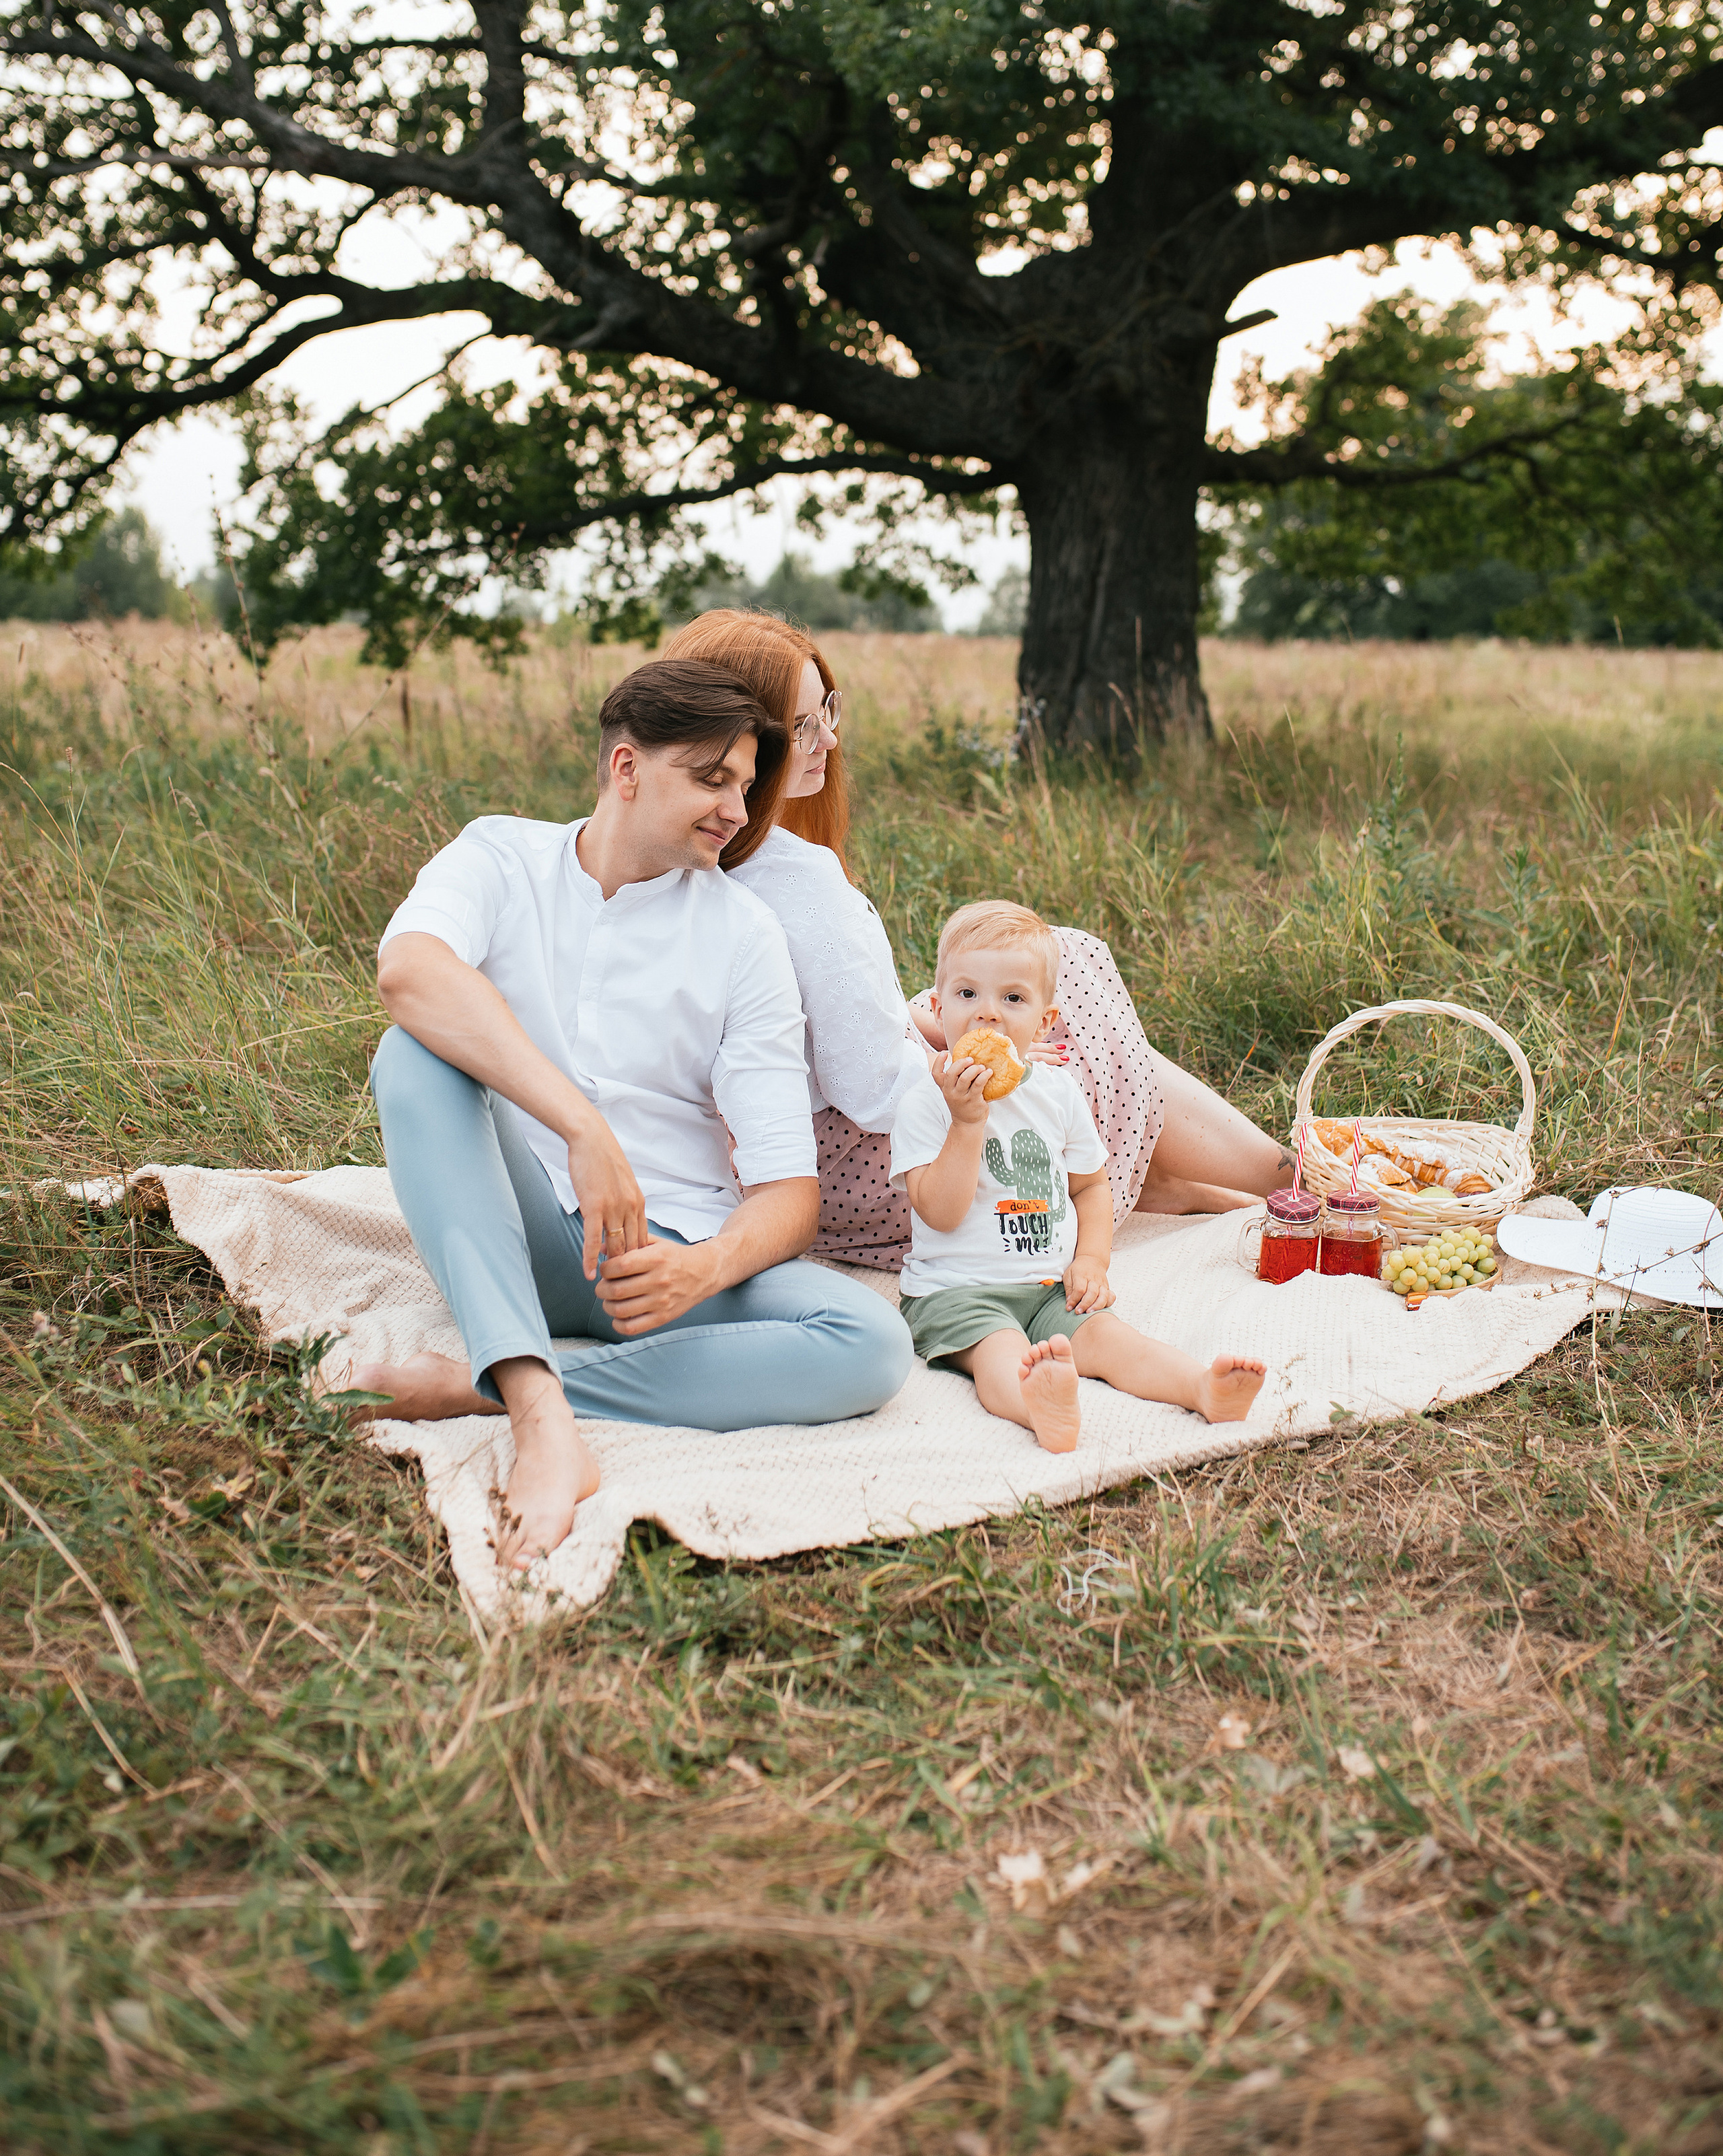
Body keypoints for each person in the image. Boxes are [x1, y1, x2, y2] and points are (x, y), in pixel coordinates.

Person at [343, 660, 914, 1571]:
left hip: (665, 1265)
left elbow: (789, 1194)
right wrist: (583, 1130)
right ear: (625, 768)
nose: (736, 810)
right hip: (517, 1235)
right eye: (712, 779)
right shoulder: (500, 858)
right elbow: (409, 971)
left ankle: (485, 1383)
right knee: (411, 1052)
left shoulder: (745, 935)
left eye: (745, 787)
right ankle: (541, 1419)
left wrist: (704, 1268)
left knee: (871, 1345)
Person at [662, 608, 1294, 1267]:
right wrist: (971, 1064)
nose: (829, 739)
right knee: (1063, 975)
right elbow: (873, 1090)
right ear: (741, 738)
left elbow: (815, 1026)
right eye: (802, 727)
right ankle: (1284, 1173)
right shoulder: (797, 880)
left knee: (981, 995)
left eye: (828, 711)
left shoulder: (678, 859)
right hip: (896, 1172)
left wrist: (928, 1027)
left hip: (788, 1173)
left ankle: (1173, 1182)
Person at [891, 903, 1265, 1452]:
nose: (988, 1014)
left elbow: (1090, 1187)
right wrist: (967, 1123)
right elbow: (940, 1214)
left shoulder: (1057, 1092)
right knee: (999, 1354)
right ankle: (1037, 1407)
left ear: (1045, 1021)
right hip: (958, 1292)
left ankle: (1201, 1388)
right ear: (937, 1007)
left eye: (1013, 998)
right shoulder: (925, 1102)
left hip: (1049, 1288)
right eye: (968, 994)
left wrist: (1091, 1260)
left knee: (1113, 1339)